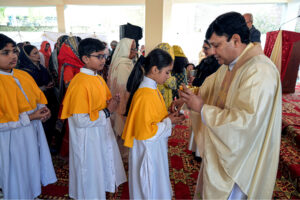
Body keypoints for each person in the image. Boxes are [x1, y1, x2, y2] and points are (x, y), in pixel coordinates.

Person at [173, 12, 281, 199]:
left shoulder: (260, 71)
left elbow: (247, 124)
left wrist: (202, 109)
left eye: (216, 45)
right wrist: (188, 98)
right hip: (222, 154)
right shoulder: (228, 66)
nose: (212, 52)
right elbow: (207, 90)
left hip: (241, 163)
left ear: (236, 40)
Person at [60, 38, 126, 199]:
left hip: (99, 134)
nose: (103, 60)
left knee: (99, 172)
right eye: (99, 56)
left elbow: (102, 105)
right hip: (88, 140)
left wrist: (113, 103)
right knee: (89, 177)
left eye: (104, 56)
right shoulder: (79, 83)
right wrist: (107, 111)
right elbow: (81, 121)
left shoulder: (96, 78)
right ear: (85, 58)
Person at [122, 48, 185, 199]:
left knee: (155, 186)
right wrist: (169, 121)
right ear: (155, 69)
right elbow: (147, 135)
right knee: (149, 188)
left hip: (155, 148)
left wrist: (170, 118)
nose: (168, 76)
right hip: (148, 151)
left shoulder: (153, 89)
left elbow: (155, 120)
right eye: (167, 72)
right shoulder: (145, 94)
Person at [0, 34, 57, 199]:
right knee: (15, 178)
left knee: (31, 172)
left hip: (31, 133)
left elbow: (37, 99)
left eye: (14, 51)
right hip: (10, 139)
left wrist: (44, 111)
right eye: (5, 52)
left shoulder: (23, 75)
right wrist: (31, 117)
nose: (13, 56)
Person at [107, 38, 136, 160]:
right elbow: (124, 89)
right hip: (122, 104)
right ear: (125, 50)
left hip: (120, 102)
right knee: (122, 130)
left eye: (135, 48)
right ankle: (122, 157)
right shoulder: (123, 66)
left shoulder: (125, 63)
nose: (135, 51)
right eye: (132, 49)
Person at [156, 43, 177, 109]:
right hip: (164, 101)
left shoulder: (155, 65)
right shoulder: (164, 68)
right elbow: (171, 84)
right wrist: (174, 79)